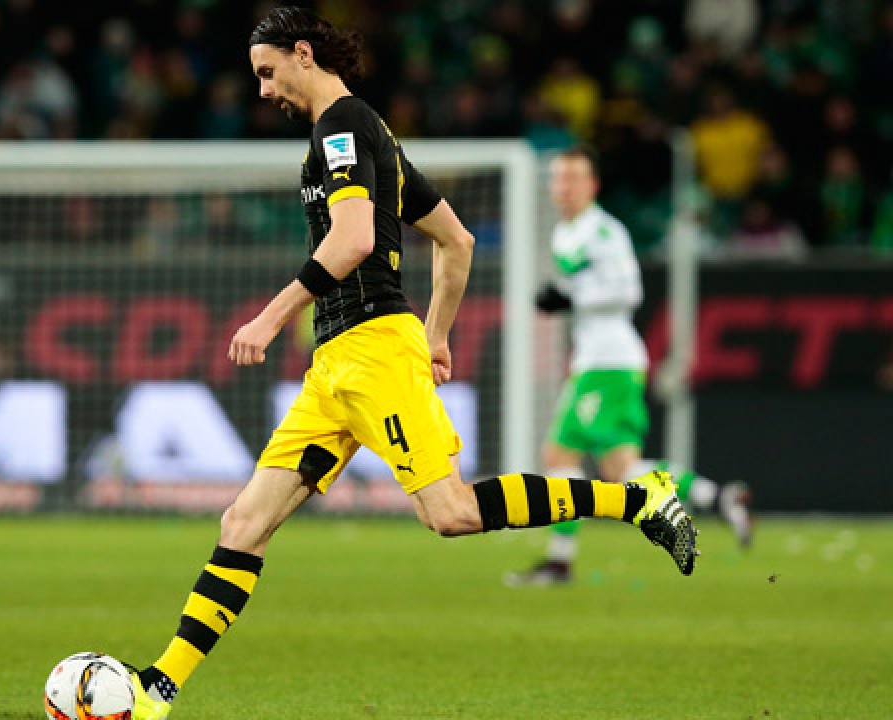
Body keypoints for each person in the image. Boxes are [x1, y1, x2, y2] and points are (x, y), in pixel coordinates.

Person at [126, 10, 699, 720]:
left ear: (303, 54)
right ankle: (158, 689)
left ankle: (639, 499)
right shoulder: (372, 133)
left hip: (371, 350)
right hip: (338, 365)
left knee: (451, 513)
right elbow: (456, 241)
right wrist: (436, 335)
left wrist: (271, 317)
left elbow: (355, 240)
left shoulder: (341, 127)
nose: (264, 90)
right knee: (242, 523)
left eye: (268, 72)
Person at [505, 147, 745, 587]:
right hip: (594, 361)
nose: (564, 187)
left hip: (610, 361)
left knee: (573, 459)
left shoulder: (604, 231)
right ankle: (718, 496)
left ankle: (561, 561)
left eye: (574, 178)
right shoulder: (565, 232)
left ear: (593, 185)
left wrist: (569, 299)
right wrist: (562, 299)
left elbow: (629, 291)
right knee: (606, 466)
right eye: (559, 178)